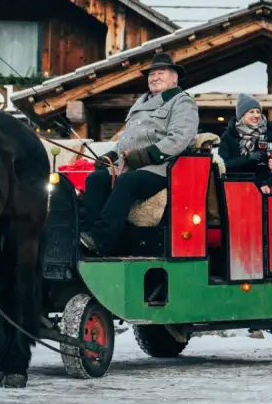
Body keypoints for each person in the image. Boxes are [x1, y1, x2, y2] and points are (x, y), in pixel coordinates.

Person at [80, 53, 200, 256]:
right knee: (95, 179)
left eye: (160, 73)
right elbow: (129, 140)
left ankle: (101, 240)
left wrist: (146, 155)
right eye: (151, 74)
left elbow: (180, 138)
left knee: (127, 182)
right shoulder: (140, 104)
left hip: (161, 168)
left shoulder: (182, 102)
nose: (154, 78)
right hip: (129, 165)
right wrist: (110, 155)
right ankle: (87, 238)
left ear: (174, 78)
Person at [218, 94, 272, 186]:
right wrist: (247, 159)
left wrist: (266, 183)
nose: (256, 115)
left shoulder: (269, 134)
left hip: (262, 187)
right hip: (236, 185)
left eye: (258, 112)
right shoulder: (229, 135)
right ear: (242, 115)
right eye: (251, 112)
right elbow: (223, 164)